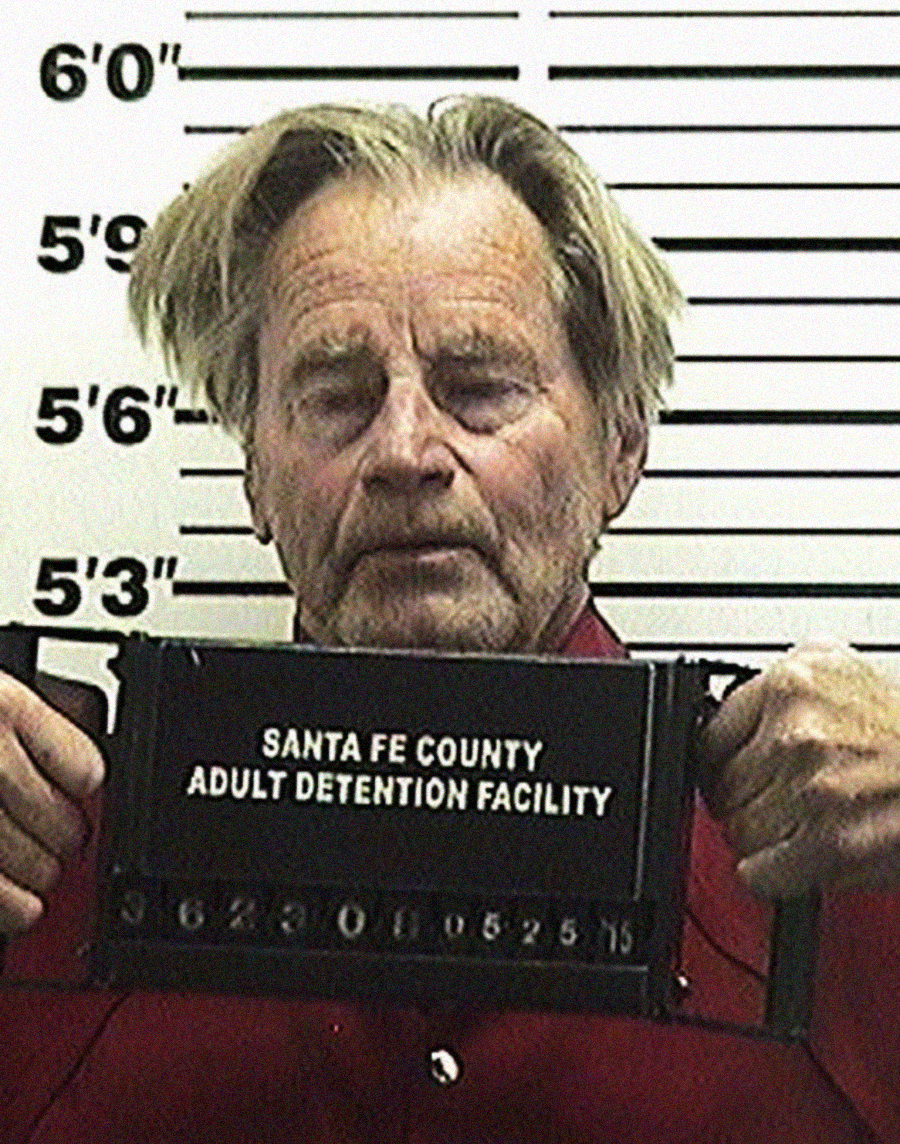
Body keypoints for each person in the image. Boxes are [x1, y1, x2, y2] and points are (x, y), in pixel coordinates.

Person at [2, 96, 899, 1143]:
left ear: (621, 450)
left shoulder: (848, 871)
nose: (405, 453)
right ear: (252, 472)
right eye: (337, 396)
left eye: (479, 388)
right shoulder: (41, 878)